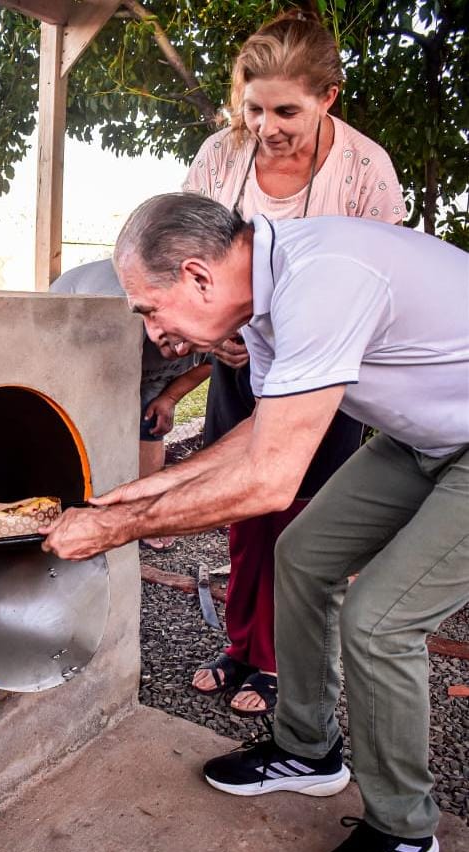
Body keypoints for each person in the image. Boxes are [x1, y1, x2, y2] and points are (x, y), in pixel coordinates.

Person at [40, 193, 469, 852]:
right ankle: (308, 749)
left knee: (379, 619)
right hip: (422, 437)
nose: (156, 332)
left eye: (151, 309)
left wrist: (116, 531)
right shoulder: (262, 298)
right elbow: (259, 435)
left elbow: (272, 480)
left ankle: (403, 827)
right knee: (300, 556)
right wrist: (144, 494)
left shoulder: (323, 279)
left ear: (198, 276)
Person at [183, 9, 405, 715]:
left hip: (323, 373)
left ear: (327, 98)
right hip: (241, 360)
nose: (267, 127)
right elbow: (192, 256)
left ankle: (282, 659)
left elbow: (384, 278)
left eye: (287, 110)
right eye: (253, 107)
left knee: (304, 515)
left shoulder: (365, 168)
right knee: (243, 510)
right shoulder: (221, 155)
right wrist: (210, 332)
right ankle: (240, 643)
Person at [50, 258, 210, 550]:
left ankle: (143, 515)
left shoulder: (215, 321)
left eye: (191, 343)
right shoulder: (121, 317)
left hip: (148, 369)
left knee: (151, 420)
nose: (182, 350)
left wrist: (169, 398)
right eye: (174, 341)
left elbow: (210, 364)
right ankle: (79, 506)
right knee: (91, 430)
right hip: (82, 344)